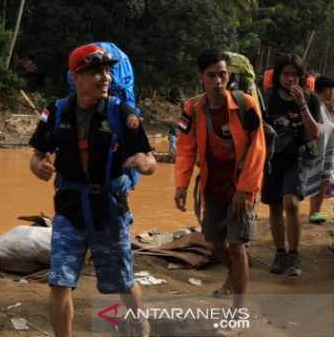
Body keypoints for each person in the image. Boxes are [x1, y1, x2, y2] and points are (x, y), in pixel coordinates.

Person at [29, 44, 156, 337]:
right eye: (96, 72)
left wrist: (143, 163)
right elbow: (37, 155)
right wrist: (37, 166)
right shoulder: (57, 111)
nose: (105, 77)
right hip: (69, 210)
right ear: (76, 77)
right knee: (59, 281)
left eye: (107, 71)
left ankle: (138, 319)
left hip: (109, 210)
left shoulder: (122, 113)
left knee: (122, 282)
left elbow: (149, 159)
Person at [174, 50, 266, 309]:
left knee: (237, 247)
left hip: (241, 186)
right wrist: (181, 184)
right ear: (201, 77)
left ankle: (239, 309)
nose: (217, 81)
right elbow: (185, 148)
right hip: (212, 185)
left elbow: (258, 149)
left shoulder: (245, 105)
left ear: (229, 76)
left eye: (222, 74)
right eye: (211, 75)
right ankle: (234, 273)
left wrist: (245, 189)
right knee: (215, 240)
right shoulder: (192, 108)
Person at [261, 54, 322, 276]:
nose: (290, 79)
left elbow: (315, 133)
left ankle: (294, 255)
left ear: (301, 77)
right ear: (278, 76)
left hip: (299, 157)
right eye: (286, 74)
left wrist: (301, 104)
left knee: (292, 203)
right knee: (275, 206)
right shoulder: (266, 99)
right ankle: (280, 253)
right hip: (272, 158)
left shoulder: (311, 99)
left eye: (295, 75)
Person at [307, 75, 334, 223]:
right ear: (328, 90)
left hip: (325, 152)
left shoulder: (320, 105)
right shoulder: (316, 104)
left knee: (322, 181)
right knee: (318, 181)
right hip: (319, 152)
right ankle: (314, 213)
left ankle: (315, 213)